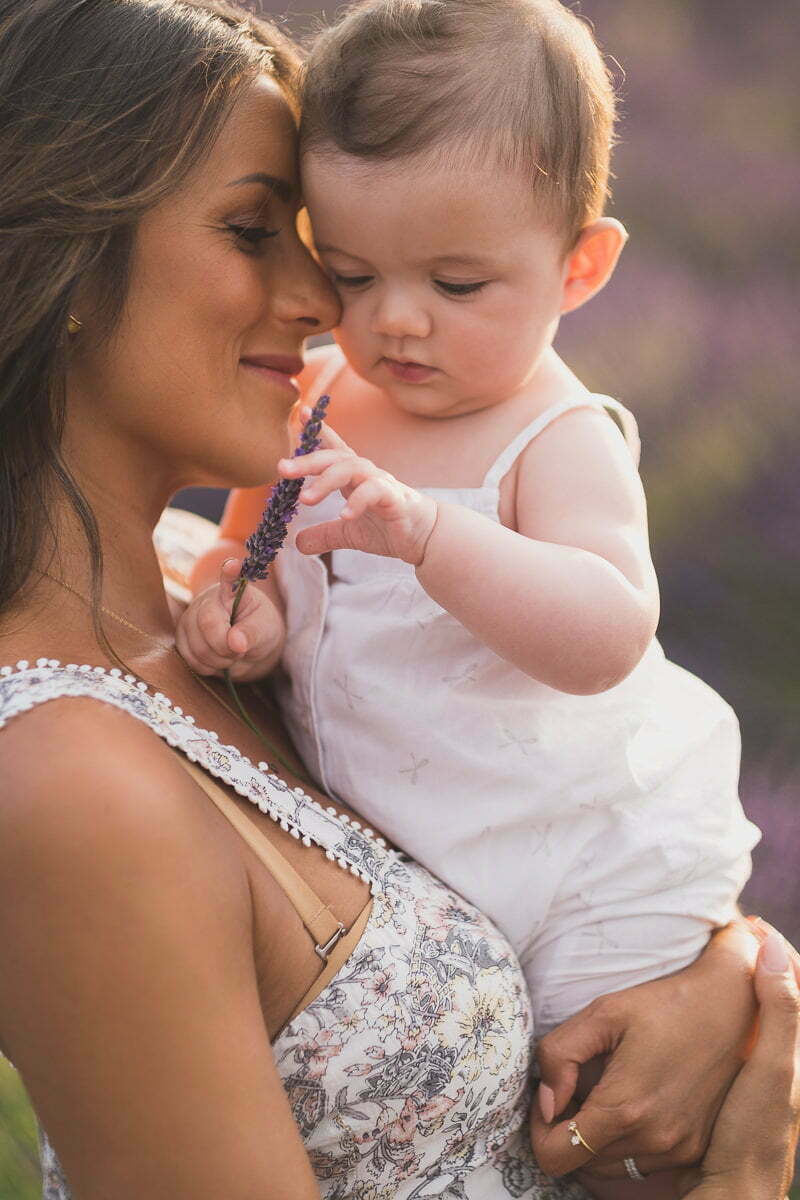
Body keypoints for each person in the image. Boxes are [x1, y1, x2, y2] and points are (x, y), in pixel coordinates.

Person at [0, 0, 793, 1198]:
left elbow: (554, 741)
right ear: (60, 261)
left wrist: (719, 975)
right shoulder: (67, 773)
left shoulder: (194, 581)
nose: (332, 307)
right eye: (258, 233)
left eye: (312, 245)